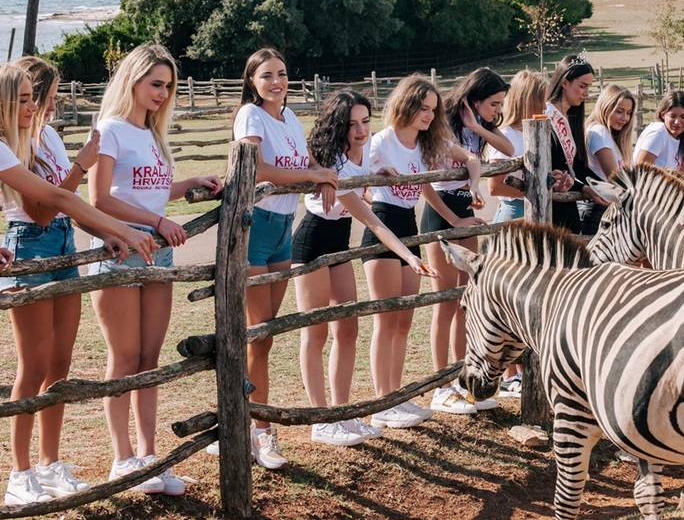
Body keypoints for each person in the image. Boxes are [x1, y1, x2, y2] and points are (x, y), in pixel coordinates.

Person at [0, 61, 153, 507]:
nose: (35, 107)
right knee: (33, 364)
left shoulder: (44, 136)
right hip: (31, 246)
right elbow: (52, 204)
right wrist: (118, 225)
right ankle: (19, 472)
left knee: (61, 364)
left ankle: (50, 464)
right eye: (24, 100)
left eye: (35, 97)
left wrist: (105, 231)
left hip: (64, 245)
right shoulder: (8, 144)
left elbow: (65, 208)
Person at [89, 44, 222, 495]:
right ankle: (122, 458)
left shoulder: (151, 134)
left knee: (149, 357)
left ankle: (149, 460)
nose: (163, 94)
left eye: (168, 86)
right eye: (156, 84)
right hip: (120, 251)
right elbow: (101, 199)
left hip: (158, 253)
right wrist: (157, 222)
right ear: (132, 81)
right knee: (124, 358)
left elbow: (151, 192)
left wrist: (190, 184)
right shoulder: (110, 129)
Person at [216, 46, 338, 466]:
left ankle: (245, 421)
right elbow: (260, 170)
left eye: (282, 74)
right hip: (254, 227)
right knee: (257, 332)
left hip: (284, 228)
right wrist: (313, 175)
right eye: (266, 75)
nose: (276, 82)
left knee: (264, 339)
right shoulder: (251, 116)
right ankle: (258, 430)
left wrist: (322, 175)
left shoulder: (289, 118)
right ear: (252, 81)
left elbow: (304, 163)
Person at [295, 89, 436, 446]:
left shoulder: (365, 149)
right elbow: (372, 221)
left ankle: (341, 413)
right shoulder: (335, 165)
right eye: (351, 124)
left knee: (348, 332)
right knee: (316, 334)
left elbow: (371, 171)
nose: (359, 130)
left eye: (363, 122)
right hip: (312, 243)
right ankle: (320, 419)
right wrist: (408, 255)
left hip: (339, 244)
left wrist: (378, 172)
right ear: (338, 126)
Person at [362, 75, 482, 429]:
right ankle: (382, 401)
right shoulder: (382, 141)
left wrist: (466, 201)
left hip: (410, 228)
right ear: (406, 104)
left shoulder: (429, 143)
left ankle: (397, 396)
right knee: (385, 320)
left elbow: (471, 159)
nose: (428, 115)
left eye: (433, 109)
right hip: (384, 225)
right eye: (422, 108)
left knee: (403, 321)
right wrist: (377, 173)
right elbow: (359, 175)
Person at [420, 68, 510, 415]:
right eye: (493, 104)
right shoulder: (441, 123)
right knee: (443, 304)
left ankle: (461, 378)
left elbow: (509, 147)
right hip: (442, 212)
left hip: (466, 212)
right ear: (475, 99)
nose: (497, 110)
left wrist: (477, 126)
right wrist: (454, 218)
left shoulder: (476, 127)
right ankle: (439, 385)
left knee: (463, 301)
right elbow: (426, 182)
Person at [545, 56, 601, 233]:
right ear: (564, 82)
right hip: (549, 206)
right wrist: (583, 187)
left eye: (588, 87)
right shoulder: (546, 115)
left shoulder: (572, 119)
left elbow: (576, 164)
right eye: (582, 86)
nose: (586, 93)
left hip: (568, 203)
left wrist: (603, 185)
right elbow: (552, 166)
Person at [488, 69, 547, 223]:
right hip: (514, 211)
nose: (545, 107)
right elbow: (494, 187)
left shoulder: (532, 133)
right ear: (529, 101)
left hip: (534, 208)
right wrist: (534, 192)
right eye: (541, 100)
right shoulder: (506, 135)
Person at [580, 84, 635, 234]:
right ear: (606, 106)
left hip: (606, 206)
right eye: (619, 111)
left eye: (629, 113)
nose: (625, 118)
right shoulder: (599, 132)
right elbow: (614, 176)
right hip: (598, 207)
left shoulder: (609, 136)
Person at [634, 90, 684, 170]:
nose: (677, 122)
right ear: (663, 114)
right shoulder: (658, 133)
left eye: (683, 117)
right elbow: (640, 169)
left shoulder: (680, 137)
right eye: (672, 116)